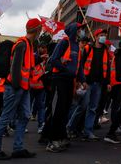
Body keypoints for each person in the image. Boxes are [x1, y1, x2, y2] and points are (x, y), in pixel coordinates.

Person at [0, 18, 41, 160]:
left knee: (24, 115)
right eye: (40, 29)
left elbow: (24, 66)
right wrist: (18, 86)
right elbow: (15, 68)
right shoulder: (22, 45)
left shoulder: (28, 44)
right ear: (37, 29)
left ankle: (18, 148)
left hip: (22, 87)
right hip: (15, 87)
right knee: (5, 117)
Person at [44, 22, 84, 153]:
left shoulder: (77, 46)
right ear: (73, 30)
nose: (81, 32)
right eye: (79, 30)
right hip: (59, 80)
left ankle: (61, 137)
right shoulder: (64, 42)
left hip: (69, 81)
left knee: (65, 110)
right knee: (58, 110)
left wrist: (81, 79)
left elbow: (79, 65)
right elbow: (53, 60)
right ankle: (52, 141)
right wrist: (65, 69)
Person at [76, 28, 111, 141]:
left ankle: (88, 131)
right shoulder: (88, 48)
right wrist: (80, 80)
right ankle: (72, 127)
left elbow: (107, 68)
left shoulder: (106, 50)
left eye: (105, 35)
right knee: (83, 106)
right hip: (87, 82)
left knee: (92, 108)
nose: (103, 37)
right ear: (95, 37)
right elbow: (80, 65)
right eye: (101, 35)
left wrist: (108, 82)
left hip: (99, 83)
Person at [103, 39, 121, 144]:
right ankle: (114, 128)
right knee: (119, 107)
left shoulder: (117, 53)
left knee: (119, 107)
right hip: (119, 83)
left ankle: (115, 128)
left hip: (116, 83)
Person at [29, 44, 49, 135]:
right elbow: (33, 63)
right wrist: (41, 58)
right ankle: (22, 125)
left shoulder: (47, 58)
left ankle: (41, 125)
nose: (44, 49)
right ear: (38, 48)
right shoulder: (34, 56)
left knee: (41, 106)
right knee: (27, 106)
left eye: (45, 47)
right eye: (42, 47)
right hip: (31, 86)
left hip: (41, 86)